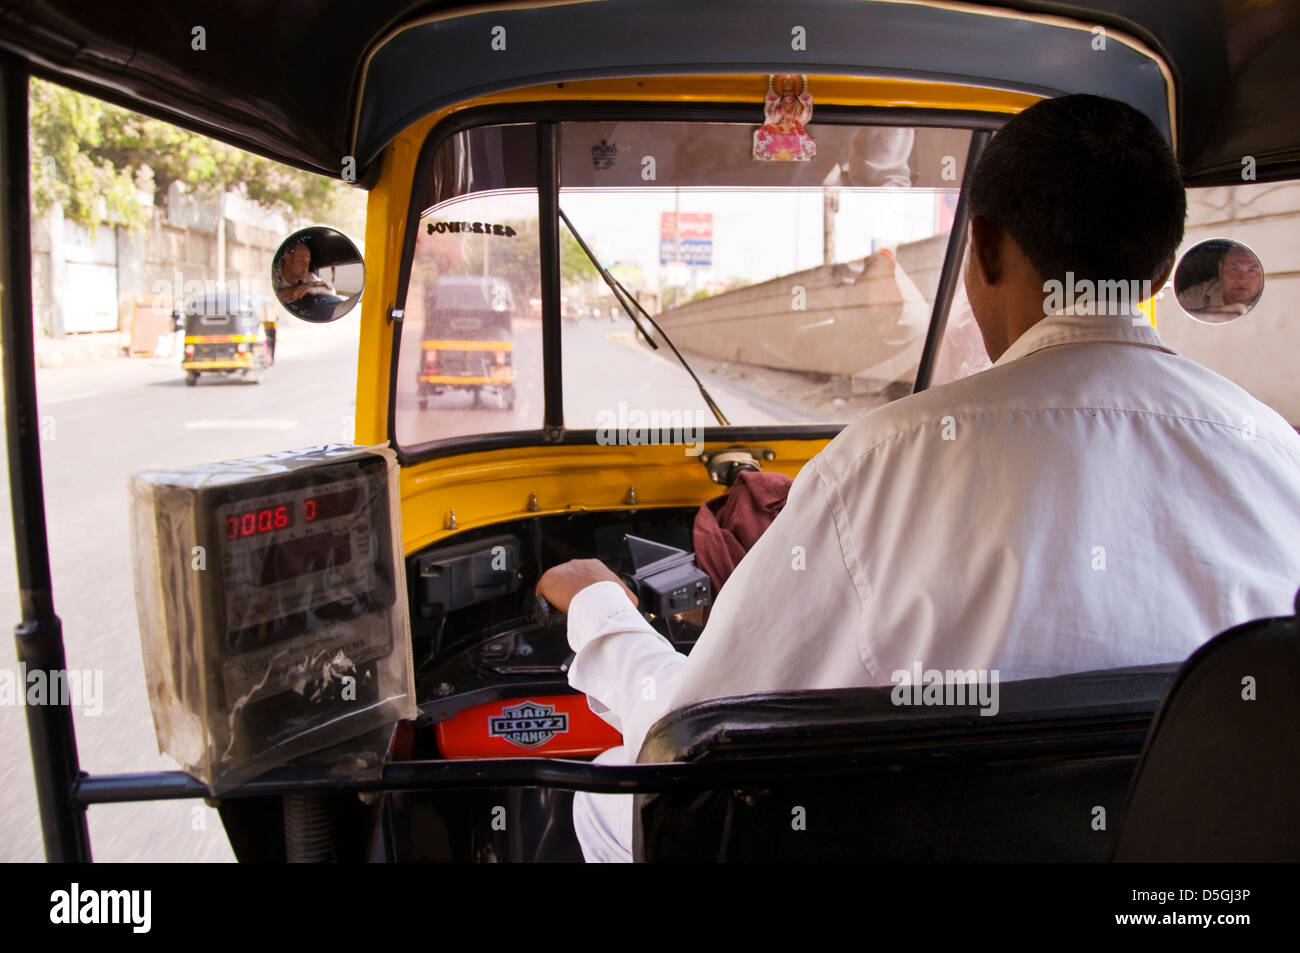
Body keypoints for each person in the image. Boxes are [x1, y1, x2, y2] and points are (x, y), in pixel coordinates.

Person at [536, 94, 1300, 862]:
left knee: (608, 788)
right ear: (1164, 270)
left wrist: (601, 611)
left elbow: (692, 739)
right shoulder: (1276, 454)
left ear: (985, 248)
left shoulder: (880, 462)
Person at [1176, 244, 1264, 322]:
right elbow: (1173, 313)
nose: (1242, 279)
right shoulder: (1199, 294)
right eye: (1234, 269)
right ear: (1221, 270)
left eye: (1251, 271)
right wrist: (1219, 312)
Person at [273, 237, 336, 315]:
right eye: (302, 261)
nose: (306, 266)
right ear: (288, 258)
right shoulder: (273, 274)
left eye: (308, 262)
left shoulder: (308, 277)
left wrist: (316, 290)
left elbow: (332, 291)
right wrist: (307, 286)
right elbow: (271, 297)